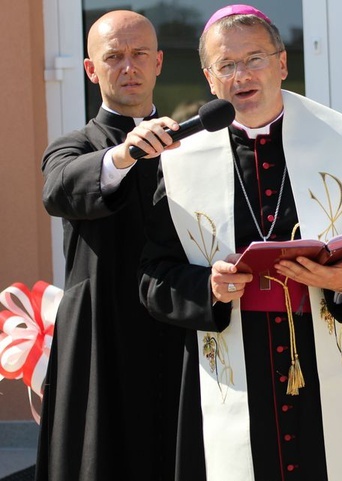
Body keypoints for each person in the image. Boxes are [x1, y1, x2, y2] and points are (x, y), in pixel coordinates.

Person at [138, 5, 342, 481]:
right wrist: (208, 288)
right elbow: (154, 276)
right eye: (226, 65)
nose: (242, 75)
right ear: (209, 79)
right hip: (234, 371)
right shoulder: (179, 160)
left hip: (325, 353)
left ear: (282, 64)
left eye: (255, 59)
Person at [38, 10, 185, 481]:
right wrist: (125, 154)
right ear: (90, 69)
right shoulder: (73, 145)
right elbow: (59, 191)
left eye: (140, 54)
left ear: (159, 62)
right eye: (113, 56)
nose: (129, 66)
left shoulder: (193, 144)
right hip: (103, 335)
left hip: (181, 328)